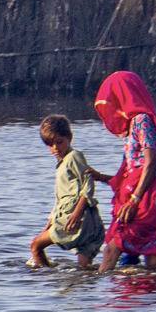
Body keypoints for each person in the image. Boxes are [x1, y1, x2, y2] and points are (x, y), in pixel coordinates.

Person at [93, 70, 156, 272]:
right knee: (153, 262)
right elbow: (137, 167)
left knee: (113, 250)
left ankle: (99, 295)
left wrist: (134, 200)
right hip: (145, 198)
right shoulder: (132, 124)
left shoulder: (142, 120)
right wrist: (100, 177)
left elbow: (151, 162)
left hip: (147, 200)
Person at [27, 114, 106, 269]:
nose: (55, 148)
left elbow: (88, 184)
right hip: (85, 220)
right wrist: (48, 225)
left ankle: (45, 277)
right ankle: (86, 291)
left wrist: (77, 212)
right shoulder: (62, 163)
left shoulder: (73, 156)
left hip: (74, 216)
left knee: (35, 245)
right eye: (50, 144)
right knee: (84, 268)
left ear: (69, 137)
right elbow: (59, 201)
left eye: (59, 142)